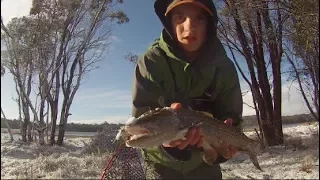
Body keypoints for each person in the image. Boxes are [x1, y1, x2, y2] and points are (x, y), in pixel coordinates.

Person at [131, 0, 243, 179]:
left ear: (210, 24)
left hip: (205, 165)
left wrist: (226, 143)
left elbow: (233, 117)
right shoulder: (150, 62)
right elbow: (142, 123)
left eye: (199, 19)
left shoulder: (224, 68)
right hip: (162, 166)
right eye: (180, 17)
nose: (189, 28)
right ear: (169, 22)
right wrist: (166, 144)